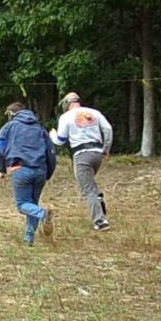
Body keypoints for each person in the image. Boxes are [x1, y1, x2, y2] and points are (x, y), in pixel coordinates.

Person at [0, 101, 57, 246]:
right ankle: (29, 238)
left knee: (23, 204)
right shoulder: (40, 129)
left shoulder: (8, 127)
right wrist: (48, 173)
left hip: (20, 168)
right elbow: (51, 153)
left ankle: (43, 213)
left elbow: (0, 149)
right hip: (40, 171)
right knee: (32, 204)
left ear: (11, 114)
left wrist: (1, 169)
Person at [50, 91, 113, 231]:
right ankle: (98, 200)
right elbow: (108, 129)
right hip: (97, 153)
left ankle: (100, 221)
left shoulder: (66, 117)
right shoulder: (94, 112)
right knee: (89, 183)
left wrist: (52, 135)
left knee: (87, 189)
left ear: (66, 103)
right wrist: (106, 149)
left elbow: (60, 140)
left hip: (81, 154)